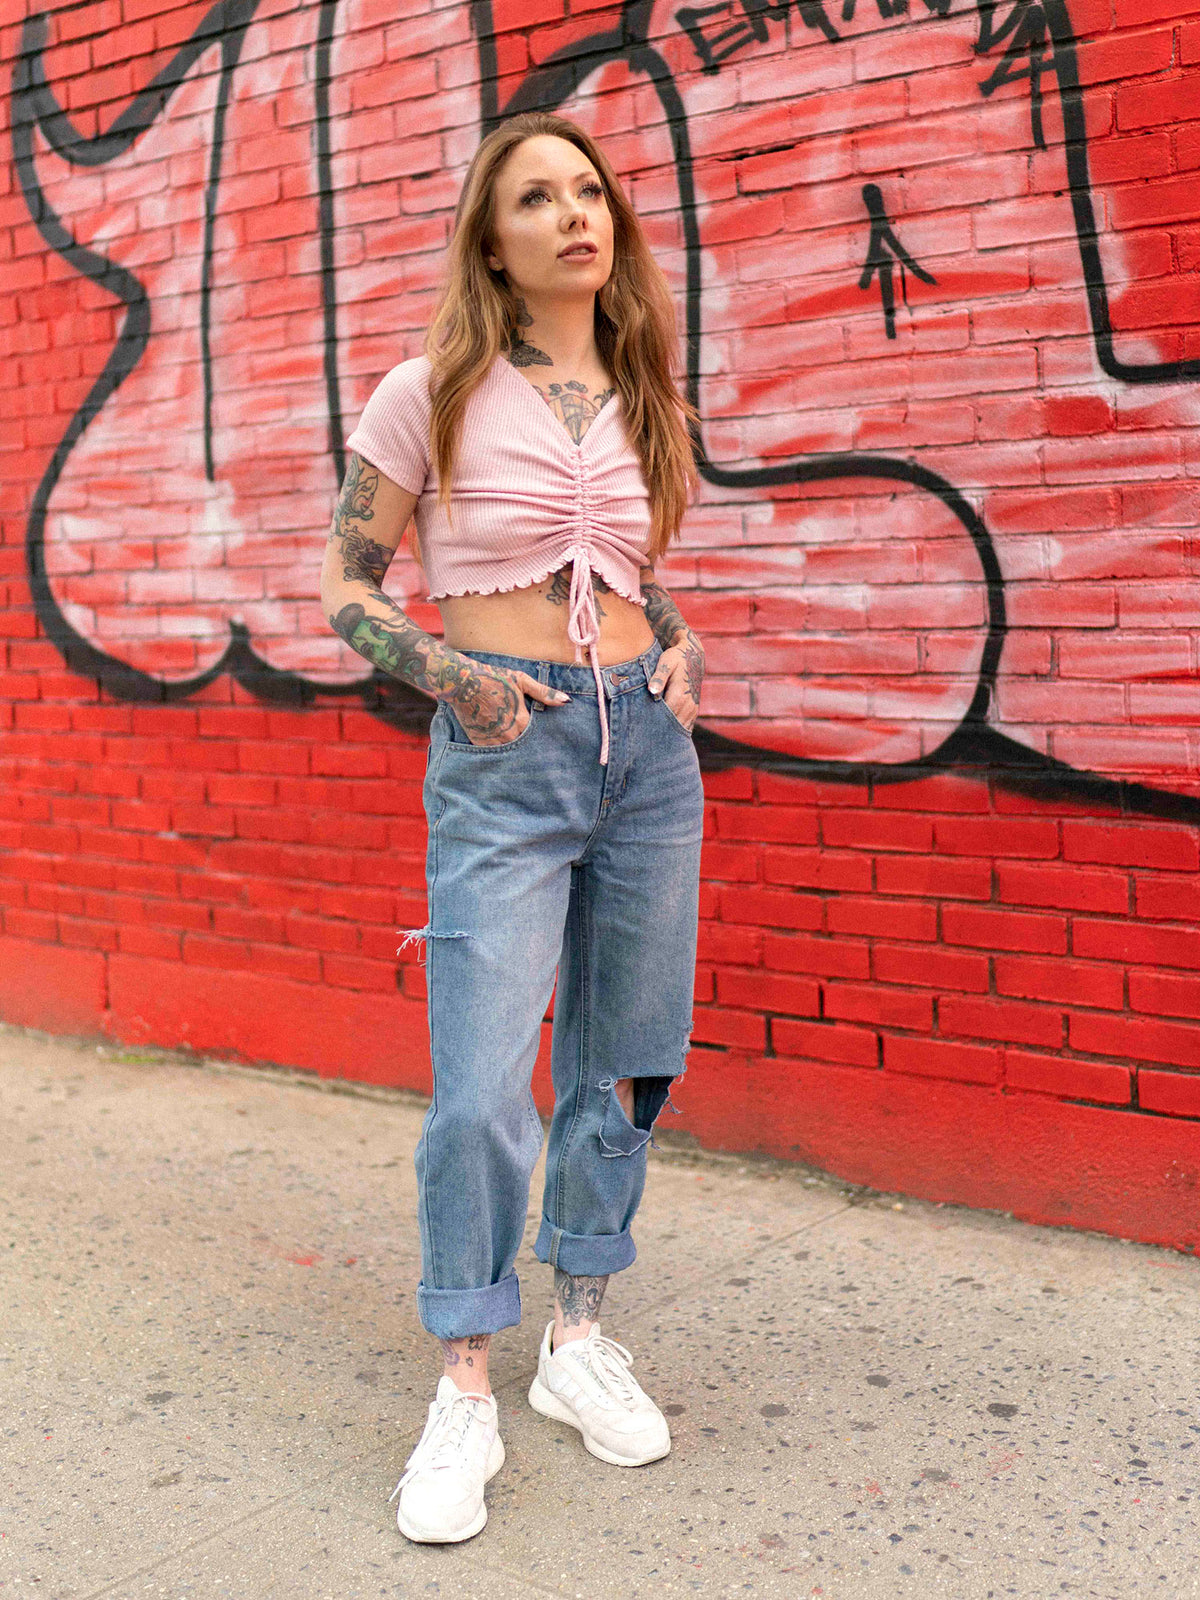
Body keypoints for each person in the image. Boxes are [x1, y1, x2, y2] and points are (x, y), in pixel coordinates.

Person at [319, 110, 705, 1545]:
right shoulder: (430, 387)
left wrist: (682, 641)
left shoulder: (641, 384)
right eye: (535, 196)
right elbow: (345, 586)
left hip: (646, 750)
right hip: (508, 746)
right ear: (494, 235)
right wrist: (459, 678)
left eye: (588, 191)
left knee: (624, 1060)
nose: (571, 214)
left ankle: (576, 1339)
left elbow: (629, 567)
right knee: (483, 1084)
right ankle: (465, 1384)